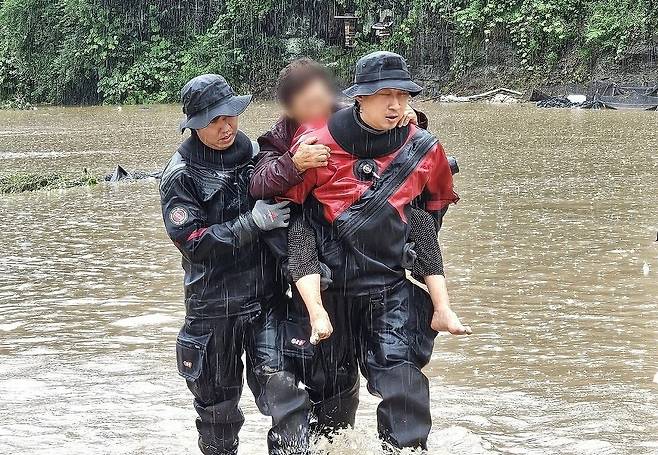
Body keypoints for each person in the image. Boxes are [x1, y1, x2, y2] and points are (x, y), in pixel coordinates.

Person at [279, 51, 463, 450]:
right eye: (383, 94)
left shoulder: (425, 148)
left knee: (404, 386)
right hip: (331, 290)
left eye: (402, 94)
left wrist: (437, 297)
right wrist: (314, 305)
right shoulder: (317, 145)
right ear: (359, 97)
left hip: (389, 289)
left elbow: (430, 213)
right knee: (329, 398)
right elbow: (295, 217)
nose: (395, 104)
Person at [159, 74, 309, 455]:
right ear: (194, 125)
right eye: (214, 120)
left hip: (266, 300)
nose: (226, 127)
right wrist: (251, 222)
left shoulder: (256, 156)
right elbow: (192, 243)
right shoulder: (180, 176)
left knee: (286, 394)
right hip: (211, 308)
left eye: (231, 116)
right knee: (218, 414)